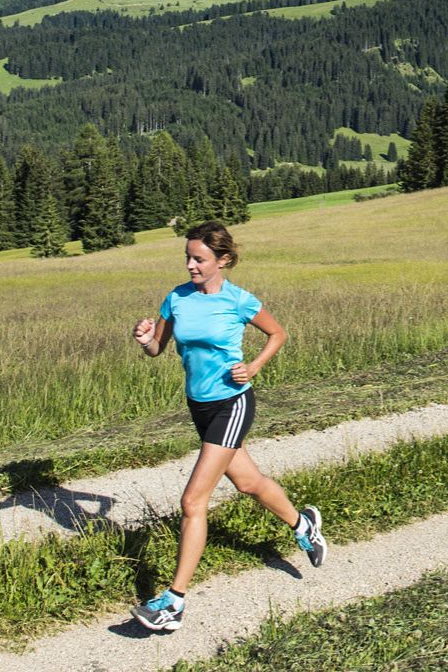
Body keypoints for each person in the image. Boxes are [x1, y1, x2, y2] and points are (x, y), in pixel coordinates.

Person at [129, 220, 325, 634]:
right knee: (249, 483)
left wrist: (253, 365)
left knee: (192, 501)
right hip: (198, 406)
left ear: (222, 260)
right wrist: (145, 338)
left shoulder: (239, 300)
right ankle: (303, 525)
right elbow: (156, 349)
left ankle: (173, 604)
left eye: (199, 259)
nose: (190, 266)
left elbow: (278, 333)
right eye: (187, 257)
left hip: (232, 403)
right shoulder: (176, 299)